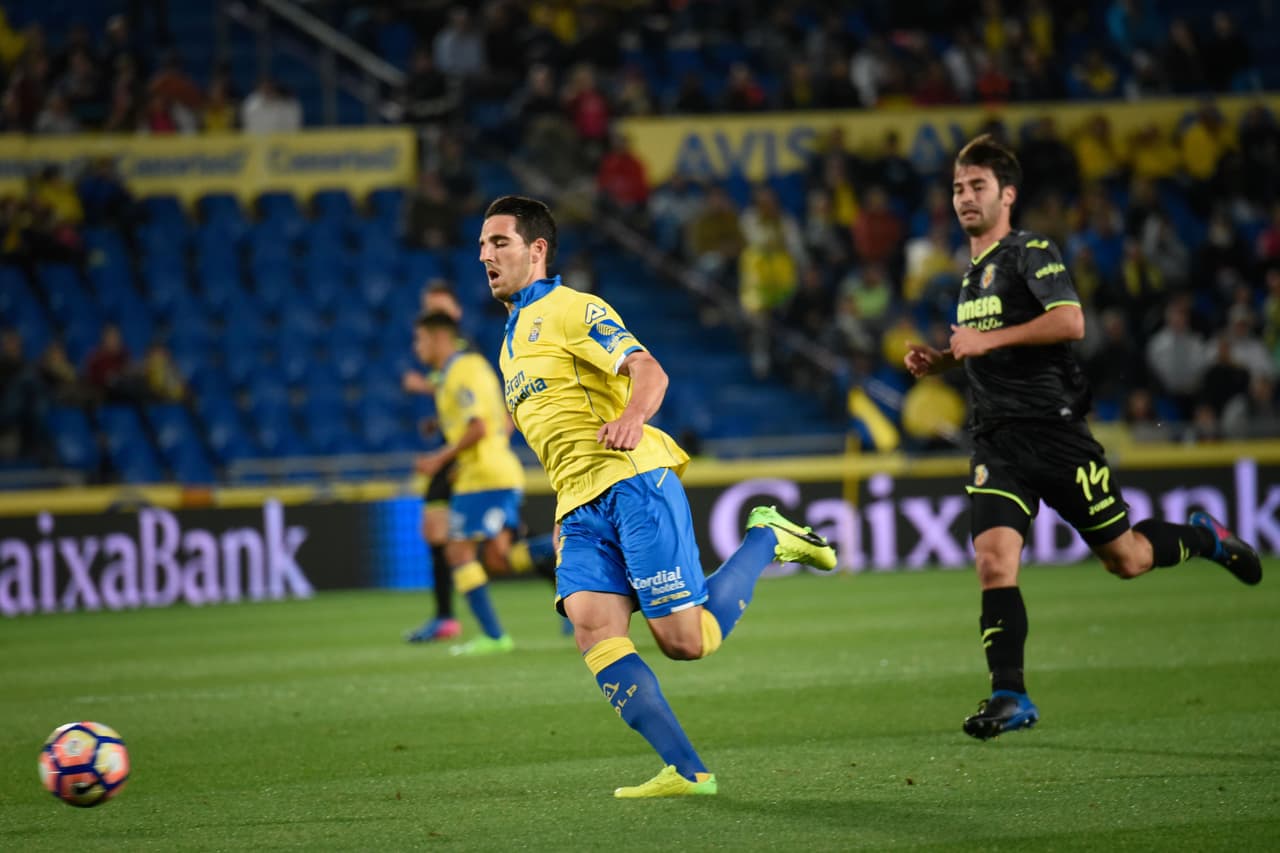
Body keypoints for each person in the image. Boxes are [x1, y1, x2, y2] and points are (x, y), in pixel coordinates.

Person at [903, 135, 1262, 741]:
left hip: (1056, 435)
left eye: (978, 186)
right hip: (996, 443)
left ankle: (1207, 539)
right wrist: (943, 362)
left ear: (1007, 195)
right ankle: (1010, 694)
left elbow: (1070, 321)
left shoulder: (1030, 251)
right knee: (993, 563)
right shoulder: (969, 277)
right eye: (959, 187)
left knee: (1127, 559)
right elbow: (990, 352)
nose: (964, 197)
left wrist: (985, 340)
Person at [478, 195, 838, 798]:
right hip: (579, 506)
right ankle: (690, 772)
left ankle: (767, 536)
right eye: (482, 246)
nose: (485, 255)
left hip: (632, 482)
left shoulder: (574, 308)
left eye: (499, 243)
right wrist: (566, 505)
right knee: (593, 630)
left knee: (685, 642)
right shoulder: (508, 342)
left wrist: (633, 418)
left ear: (537, 250)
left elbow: (649, 370)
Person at [403, 283, 559, 645]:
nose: (416, 348)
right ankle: (575, 549)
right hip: (489, 473)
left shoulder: (462, 371)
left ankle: (493, 636)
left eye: (420, 340)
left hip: (484, 476)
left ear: (439, 337)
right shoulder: (457, 372)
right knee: (500, 557)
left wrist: (439, 458)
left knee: (458, 551)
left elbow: (479, 427)